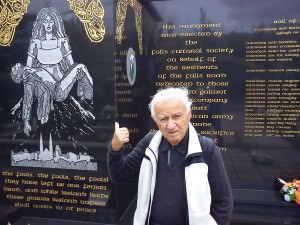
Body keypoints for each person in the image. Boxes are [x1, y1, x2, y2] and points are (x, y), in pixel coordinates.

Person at [107, 87, 233, 225]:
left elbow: (223, 202)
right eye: (163, 119)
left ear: (189, 114)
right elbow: (120, 174)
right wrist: (115, 148)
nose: (171, 125)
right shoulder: (150, 143)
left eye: (177, 116)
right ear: (156, 121)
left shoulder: (206, 148)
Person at [10, 7, 93, 136]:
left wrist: (74, 83)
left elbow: (71, 66)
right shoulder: (35, 45)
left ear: (55, 23)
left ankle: (87, 100)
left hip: (61, 86)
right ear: (41, 24)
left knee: (80, 68)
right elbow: (28, 93)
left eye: (51, 21)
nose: (48, 25)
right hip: (49, 91)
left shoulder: (62, 42)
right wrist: (26, 121)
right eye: (45, 22)